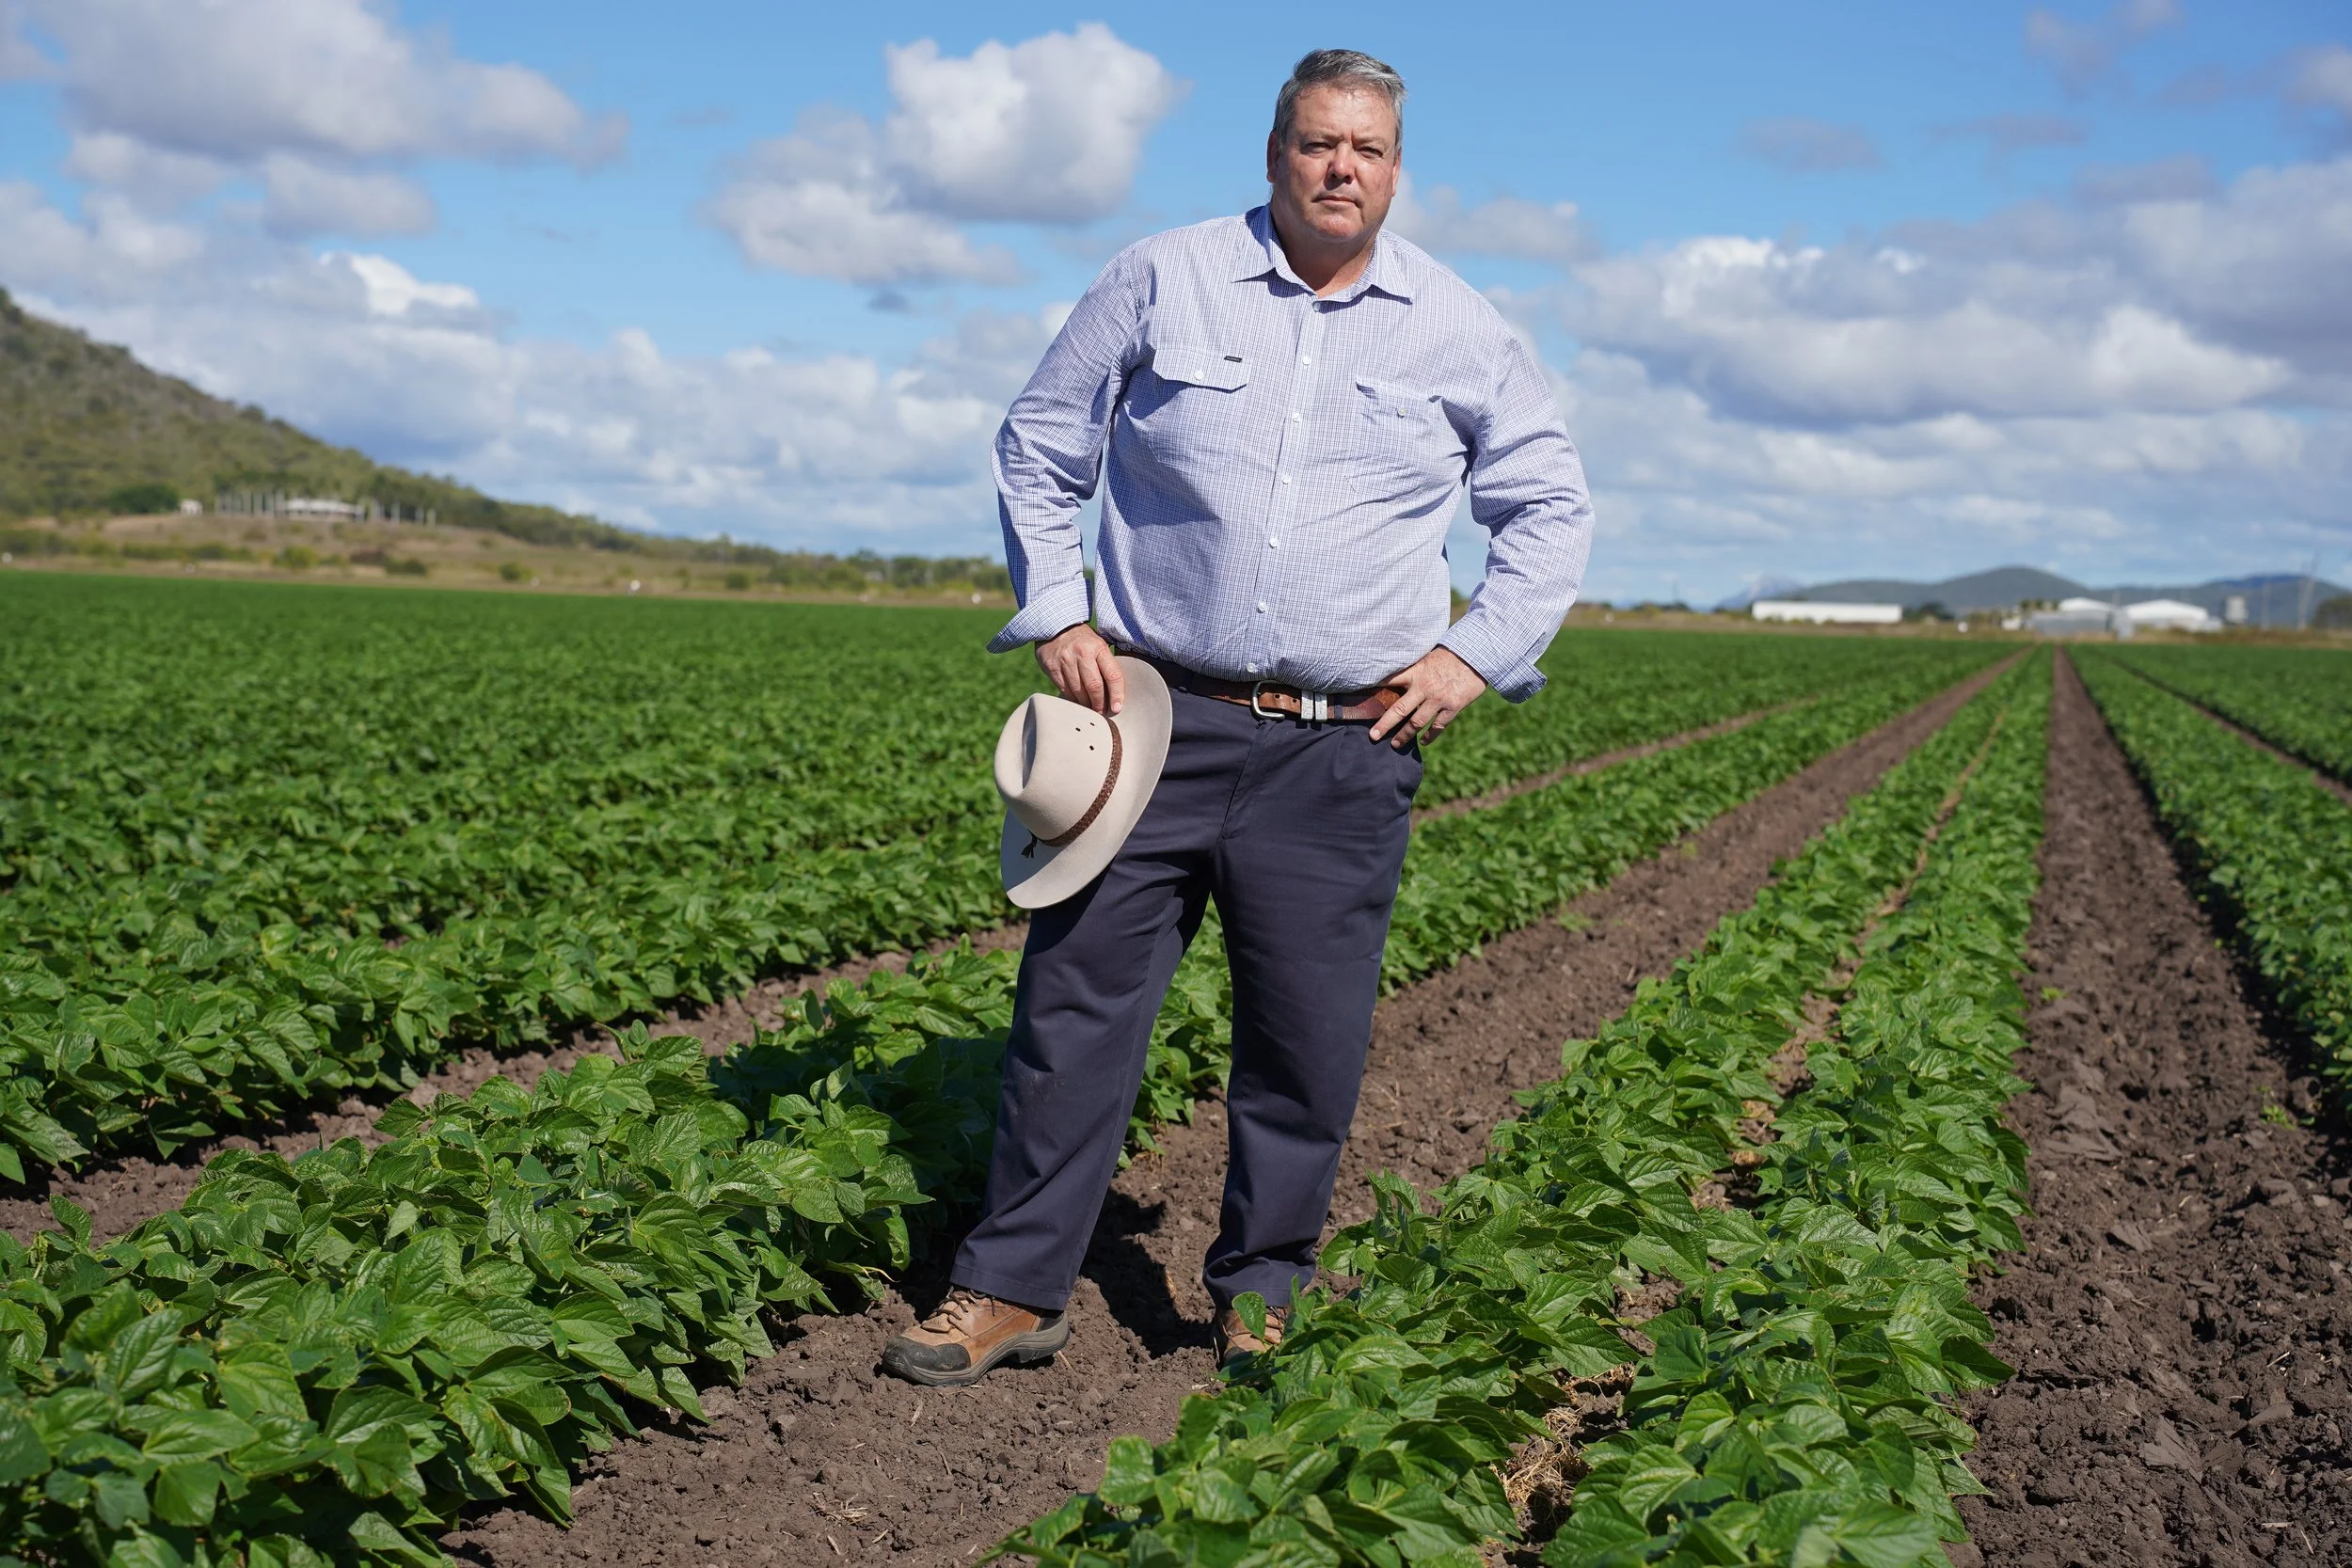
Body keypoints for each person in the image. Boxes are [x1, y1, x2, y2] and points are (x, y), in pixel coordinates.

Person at [882, 46, 1592, 1387]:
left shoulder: (1458, 324)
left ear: (1395, 169)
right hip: (1154, 719)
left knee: (1304, 1033)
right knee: (1073, 1013)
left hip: (1345, 743)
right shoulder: (1167, 276)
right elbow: (1041, 443)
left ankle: (1263, 1287)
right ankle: (1011, 1285)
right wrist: (1059, 609)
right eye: (1319, 143)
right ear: (1275, 155)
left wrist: (1473, 657)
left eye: (1367, 150)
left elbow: (1549, 511)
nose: (1341, 169)